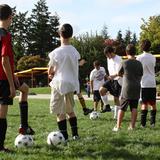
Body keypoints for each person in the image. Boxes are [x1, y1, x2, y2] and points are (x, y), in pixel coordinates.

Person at [0, 4, 34, 152]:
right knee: (2, 112)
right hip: (2, 78)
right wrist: (12, 86)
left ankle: (23, 126)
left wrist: (13, 75)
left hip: (8, 75)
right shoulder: (5, 34)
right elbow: (4, 60)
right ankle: (0, 147)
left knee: (25, 89)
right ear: (10, 16)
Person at [48, 23, 79, 141]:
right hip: (71, 84)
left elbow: (50, 71)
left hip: (58, 84)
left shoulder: (56, 52)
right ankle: (75, 135)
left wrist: (51, 73)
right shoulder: (75, 51)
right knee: (70, 111)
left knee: (59, 112)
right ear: (71, 35)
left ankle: (64, 137)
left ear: (60, 34)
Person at [112, 44, 143, 131]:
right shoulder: (139, 63)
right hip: (136, 86)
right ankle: (132, 126)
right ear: (135, 52)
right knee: (134, 107)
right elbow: (141, 75)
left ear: (126, 52)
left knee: (122, 107)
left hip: (127, 87)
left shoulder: (124, 62)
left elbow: (119, 73)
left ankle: (118, 127)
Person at [136, 39, 157, 128]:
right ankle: (152, 123)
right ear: (149, 47)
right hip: (152, 82)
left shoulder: (139, 57)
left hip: (143, 83)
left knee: (144, 104)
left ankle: (143, 124)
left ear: (142, 47)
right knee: (153, 104)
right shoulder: (153, 57)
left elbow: (138, 70)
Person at [99, 46, 122, 119]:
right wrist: (109, 76)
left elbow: (120, 73)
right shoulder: (108, 59)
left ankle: (116, 115)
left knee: (116, 99)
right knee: (101, 90)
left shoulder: (119, 59)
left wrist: (112, 76)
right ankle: (107, 106)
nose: (107, 57)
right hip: (111, 79)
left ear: (111, 52)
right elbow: (110, 69)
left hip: (118, 80)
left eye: (107, 55)